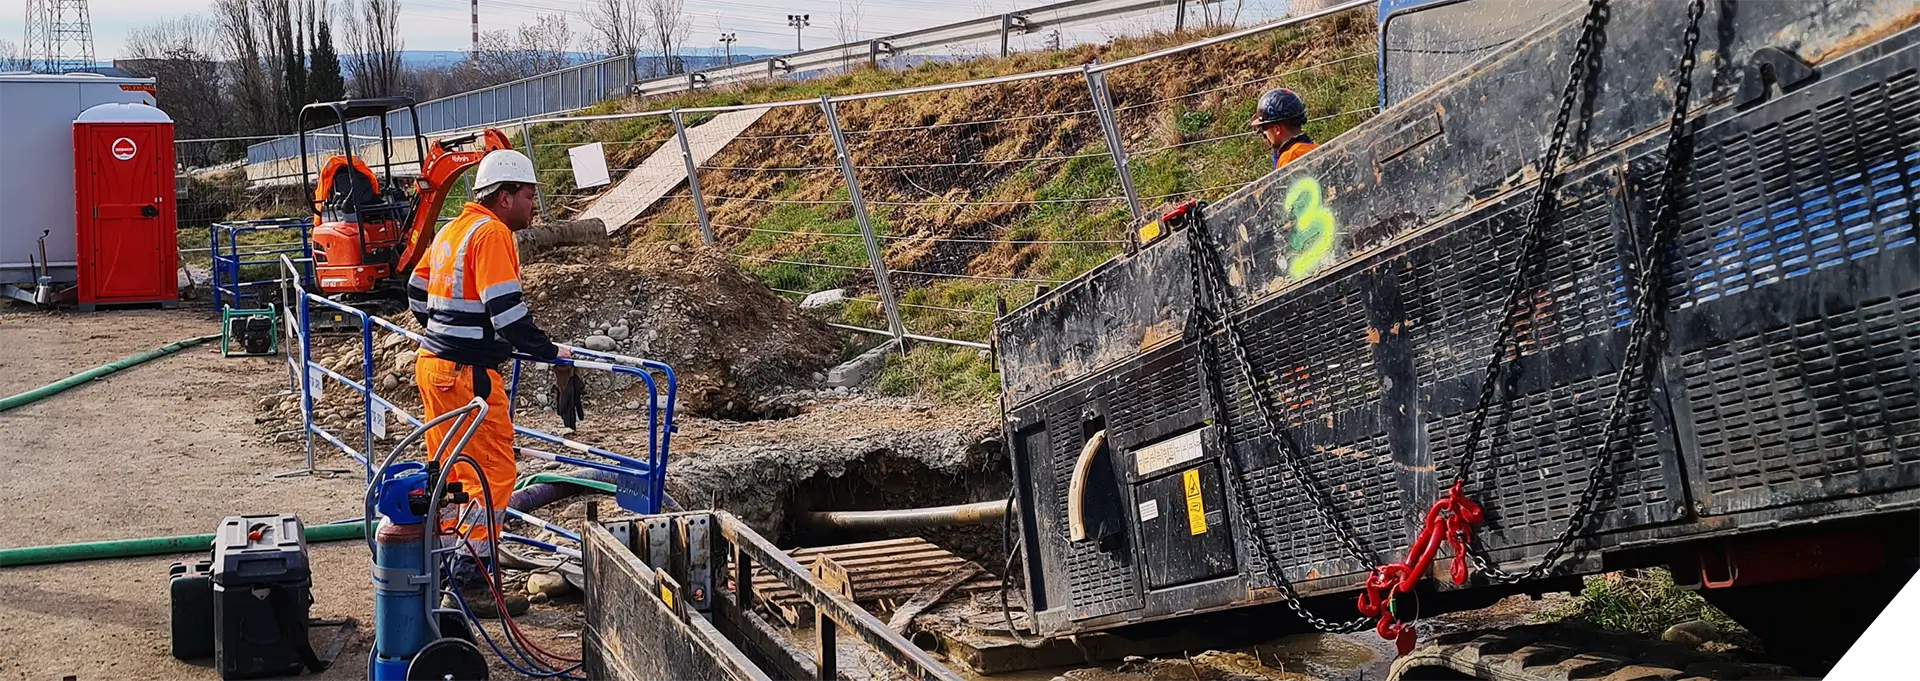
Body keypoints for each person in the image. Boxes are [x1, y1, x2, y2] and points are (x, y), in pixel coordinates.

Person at [408, 148, 569, 618]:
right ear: (504, 197)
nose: (533, 205)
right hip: (468, 376)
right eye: (528, 195)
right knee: (493, 475)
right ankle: (471, 583)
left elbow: (417, 292)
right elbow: (508, 313)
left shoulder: (451, 230)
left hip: (433, 366)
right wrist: (550, 352)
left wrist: (445, 327)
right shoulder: (493, 234)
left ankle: (442, 567)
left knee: (451, 473)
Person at [1249, 88, 1318, 170]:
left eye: (1263, 128)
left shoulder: (1289, 159)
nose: (1263, 133)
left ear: (1277, 129)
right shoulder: (1314, 148)